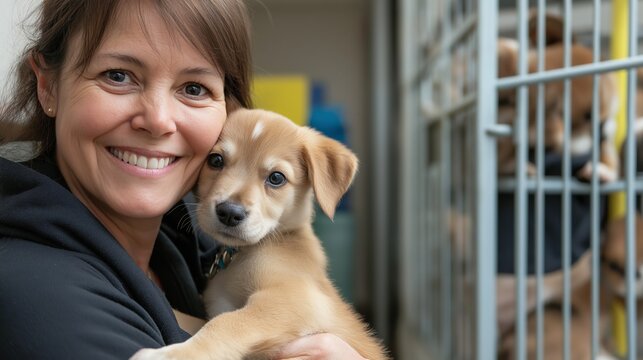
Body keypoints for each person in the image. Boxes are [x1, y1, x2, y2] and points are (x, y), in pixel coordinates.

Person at [0, 1, 367, 359]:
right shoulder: (38, 297)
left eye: (194, 88)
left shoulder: (195, 246)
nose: (158, 120)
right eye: (117, 75)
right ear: (47, 85)